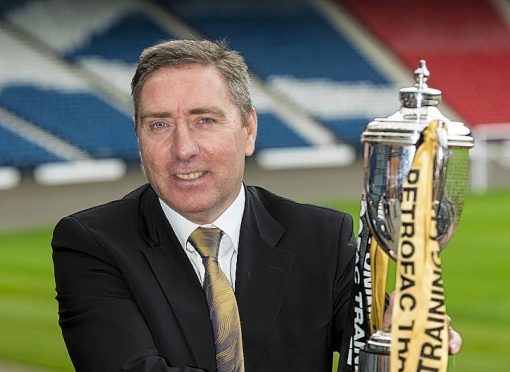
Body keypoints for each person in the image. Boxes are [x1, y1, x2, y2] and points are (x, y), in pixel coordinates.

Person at [52, 39, 460, 372]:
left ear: (248, 130)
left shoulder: (321, 238)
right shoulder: (92, 243)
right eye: (159, 124)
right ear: (138, 137)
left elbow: (364, 352)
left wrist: (398, 342)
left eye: (204, 120)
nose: (183, 149)